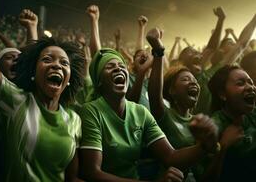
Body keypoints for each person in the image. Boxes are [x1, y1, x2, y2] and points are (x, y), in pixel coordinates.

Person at [0, 0, 85, 181]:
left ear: (69, 79)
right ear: (32, 73)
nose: (57, 65)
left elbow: (71, 178)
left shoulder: (75, 121)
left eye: (64, 62)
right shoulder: (16, 100)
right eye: (47, 60)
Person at [79, 47, 218, 182]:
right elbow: (92, 173)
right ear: (99, 80)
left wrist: (204, 146)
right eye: (109, 66)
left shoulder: (140, 112)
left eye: (122, 66)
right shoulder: (91, 111)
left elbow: (170, 156)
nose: (118, 68)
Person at [147, 26, 211, 180]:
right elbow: (155, 94)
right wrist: (158, 51)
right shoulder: (165, 115)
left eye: (195, 81)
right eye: (185, 79)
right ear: (172, 91)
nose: (193, 83)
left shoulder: (199, 122)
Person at [206, 65, 256, 181]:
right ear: (222, 94)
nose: (250, 87)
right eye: (240, 83)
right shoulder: (213, 127)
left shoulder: (252, 114)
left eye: (251, 82)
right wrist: (223, 146)